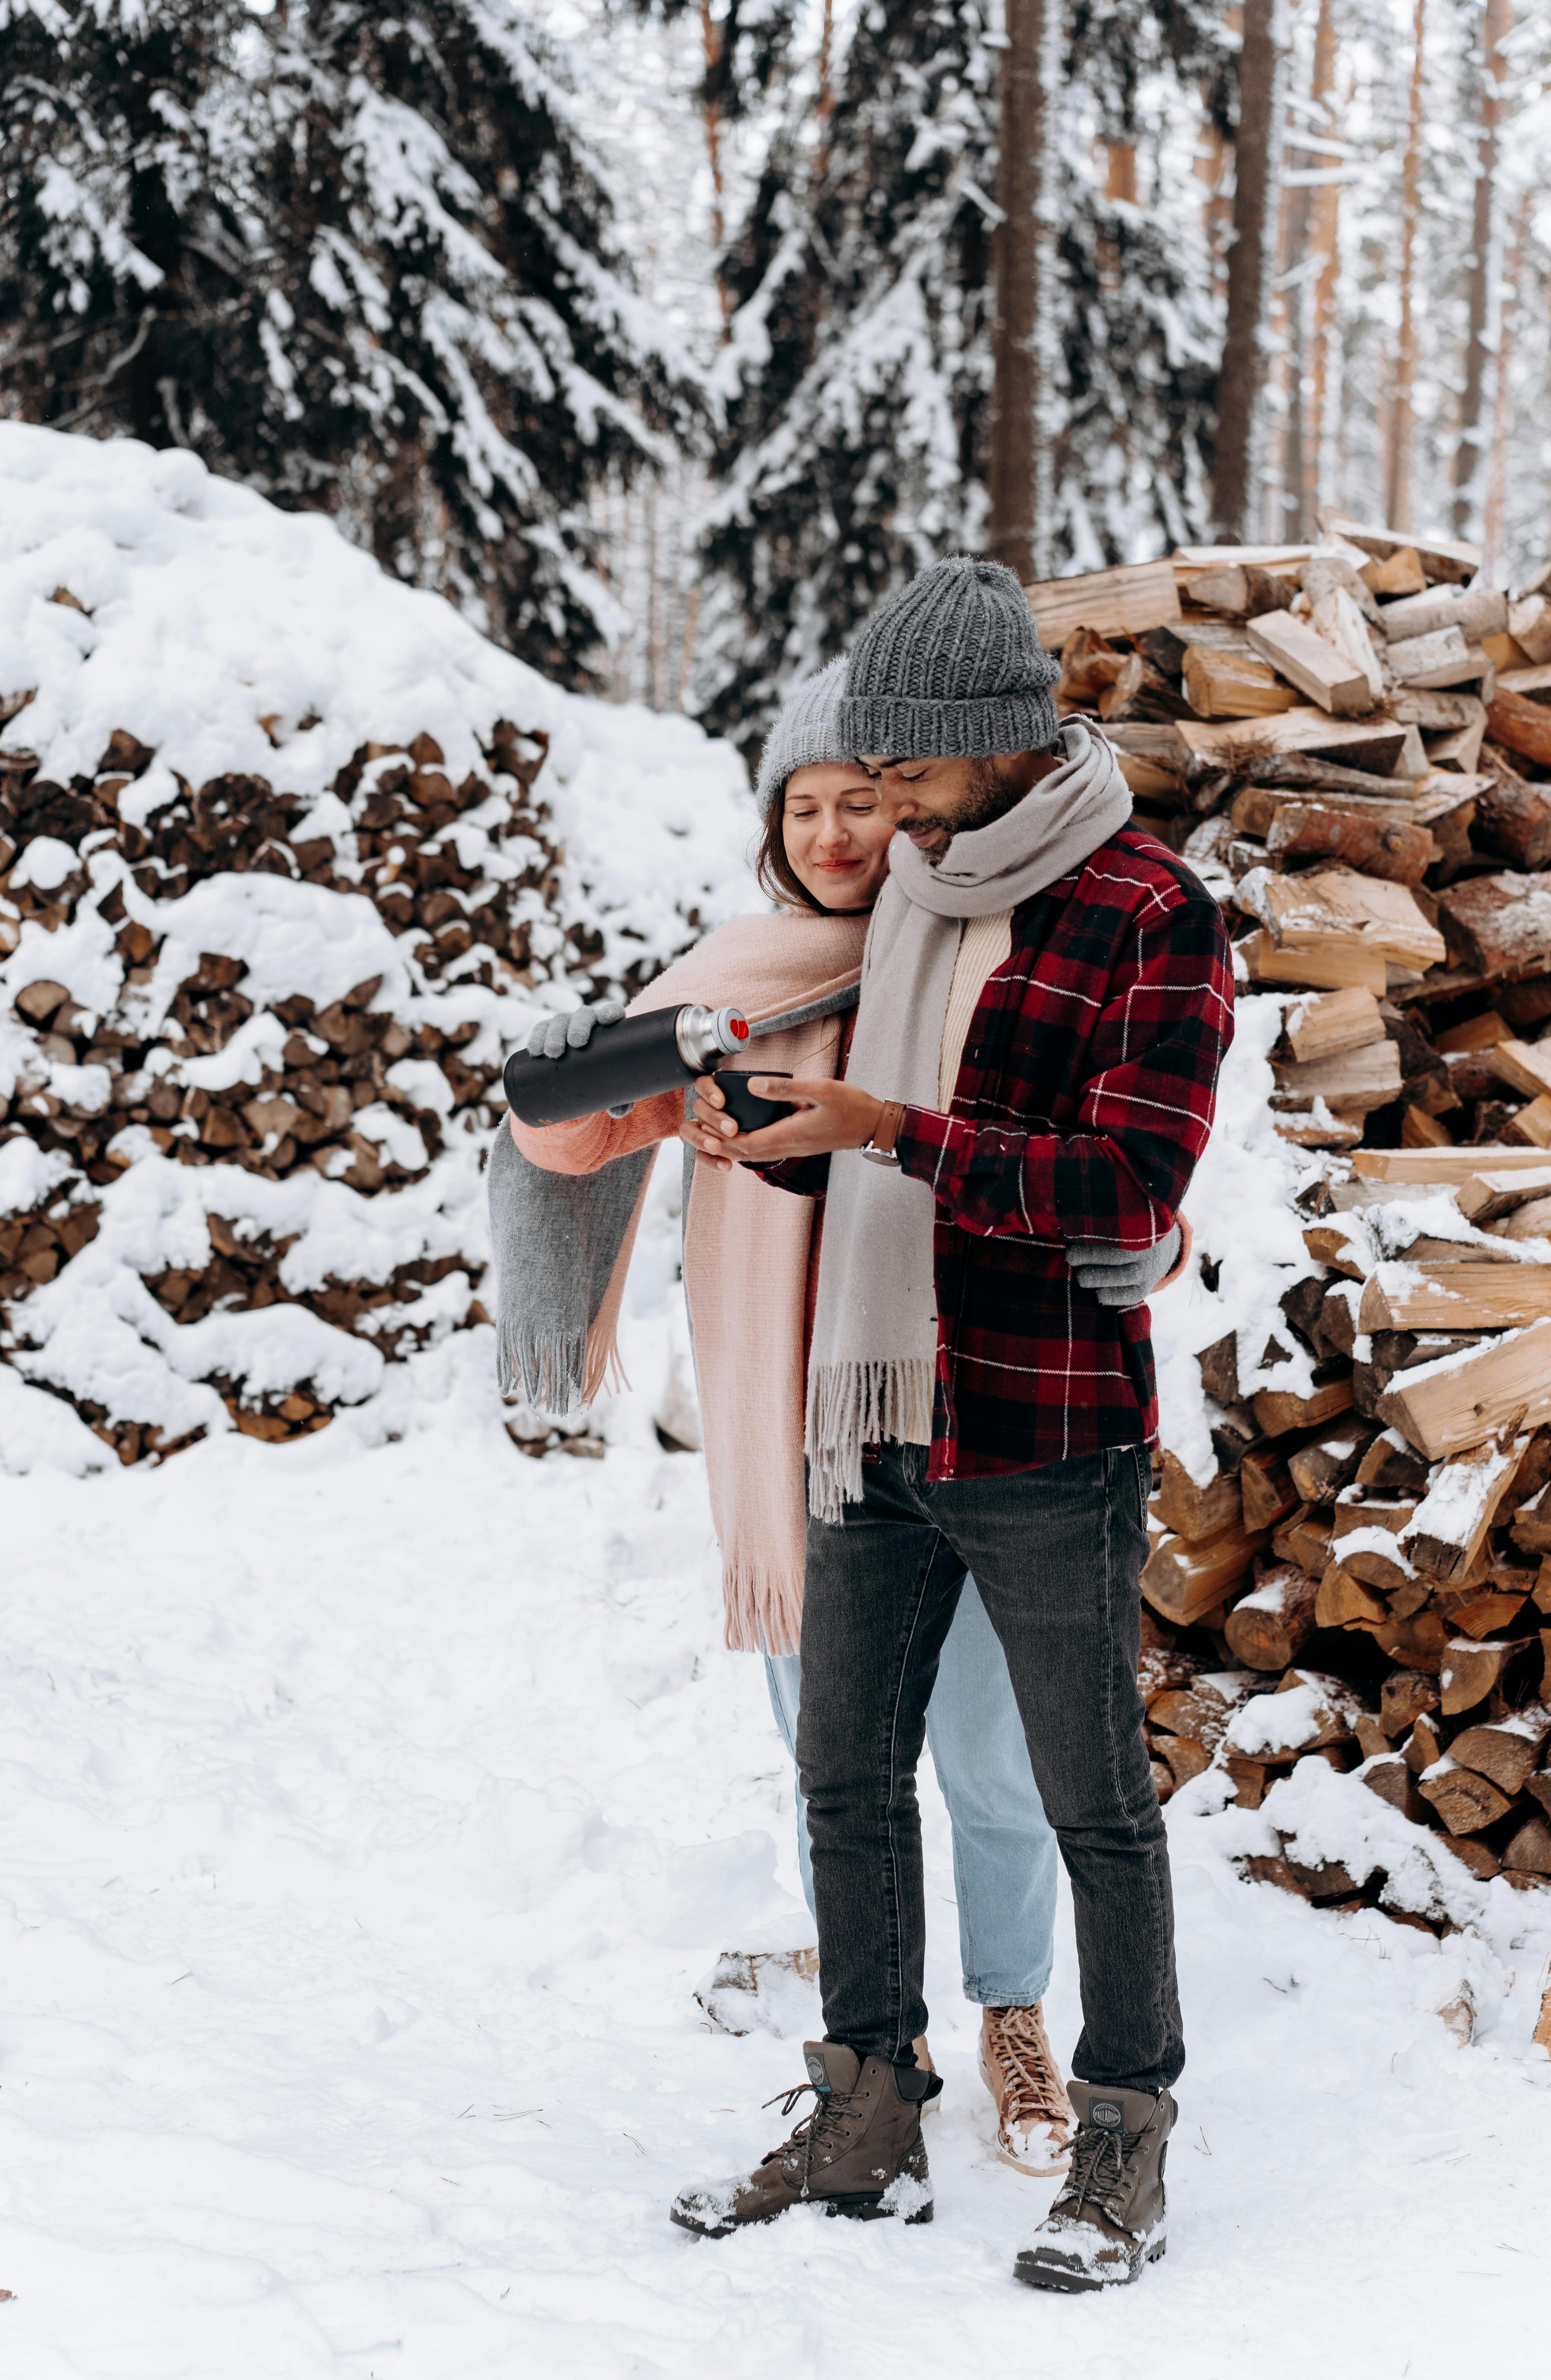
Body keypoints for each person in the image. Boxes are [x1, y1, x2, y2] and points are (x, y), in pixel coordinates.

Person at [490, 659, 1188, 2176]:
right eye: (801, 805)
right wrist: (567, 1065)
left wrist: (1151, 1241)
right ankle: (886, 2052)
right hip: (784, 1439)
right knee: (839, 1770)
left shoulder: (968, 951)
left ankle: (1013, 2006)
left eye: (863, 801)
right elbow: (571, 1142)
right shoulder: (732, 978)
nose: (833, 832)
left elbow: (1113, 1163)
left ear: (920, 803)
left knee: (997, 1762)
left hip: (971, 1403)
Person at [670, 557, 1234, 2292]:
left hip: (1041, 1424)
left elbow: (1131, 1180)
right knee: (841, 1774)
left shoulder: (1151, 913)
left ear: (993, 746)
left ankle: (1121, 2141)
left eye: (906, 771)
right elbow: (796, 1046)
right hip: (870, 1418)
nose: (884, 805)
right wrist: (757, 1126)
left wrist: (887, 1130)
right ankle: (864, 2107)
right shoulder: (911, 884)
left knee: (1090, 1803)